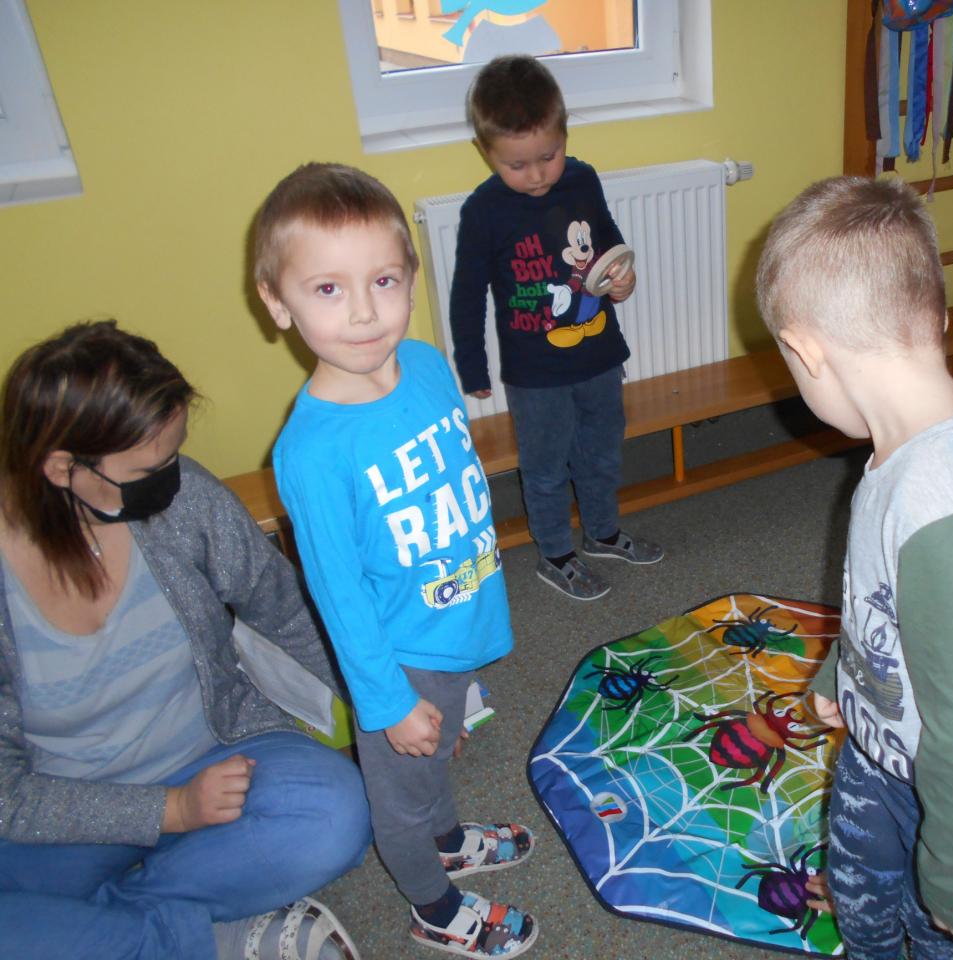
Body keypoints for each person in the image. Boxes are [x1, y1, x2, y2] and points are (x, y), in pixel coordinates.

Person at [756, 176, 953, 959]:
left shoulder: (947, 514)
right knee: (861, 902)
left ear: (806, 352)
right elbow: (882, 600)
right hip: (884, 755)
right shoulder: (902, 453)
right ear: (937, 317)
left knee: (930, 931)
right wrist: (840, 674)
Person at [0, 321, 370, 960]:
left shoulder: (183, 498)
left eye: (175, 456)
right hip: (64, 804)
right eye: (151, 469)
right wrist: (168, 811)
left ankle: (116, 930)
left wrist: (381, 700)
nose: (174, 480)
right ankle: (204, 933)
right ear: (62, 468)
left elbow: (285, 609)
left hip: (217, 754)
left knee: (335, 814)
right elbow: (8, 796)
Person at [254, 163, 537, 958]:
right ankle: (434, 905)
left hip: (452, 624)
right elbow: (337, 596)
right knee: (401, 795)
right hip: (396, 656)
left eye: (382, 280)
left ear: (411, 277)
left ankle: (448, 838)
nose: (363, 311)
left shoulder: (427, 364)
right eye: (328, 289)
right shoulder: (311, 452)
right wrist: (386, 703)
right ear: (278, 302)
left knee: (435, 760)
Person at [449, 54, 662, 601]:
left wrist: (622, 279)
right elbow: (467, 295)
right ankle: (555, 554)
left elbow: (609, 245)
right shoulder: (483, 211)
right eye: (517, 165)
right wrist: (473, 367)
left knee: (602, 452)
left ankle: (602, 533)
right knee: (545, 468)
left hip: (598, 355)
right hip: (536, 374)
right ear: (486, 152)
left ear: (564, 134)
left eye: (548, 156)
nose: (538, 174)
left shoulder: (583, 180)